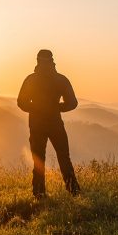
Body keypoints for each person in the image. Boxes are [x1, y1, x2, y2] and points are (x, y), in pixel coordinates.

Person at [17, 49, 80, 199]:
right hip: (55, 123)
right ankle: (74, 191)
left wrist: (36, 108)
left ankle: (39, 193)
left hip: (36, 124)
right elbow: (72, 103)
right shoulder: (60, 79)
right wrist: (56, 107)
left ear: (37, 61)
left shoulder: (31, 79)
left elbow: (21, 102)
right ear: (52, 61)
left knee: (38, 159)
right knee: (64, 157)